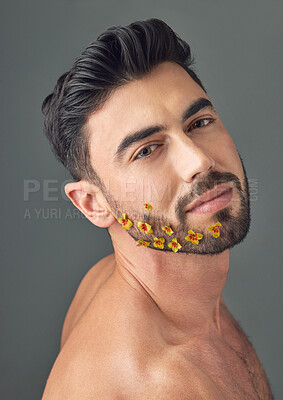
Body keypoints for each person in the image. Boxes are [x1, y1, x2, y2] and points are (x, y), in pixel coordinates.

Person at [41, 18, 273, 399]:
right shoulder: (152, 386)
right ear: (93, 204)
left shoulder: (129, 282)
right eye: (147, 150)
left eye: (199, 122)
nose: (198, 160)